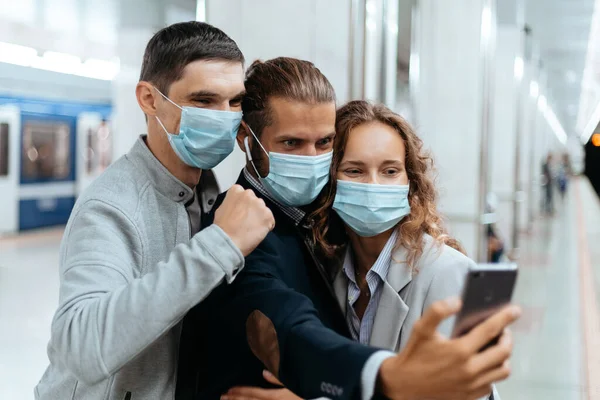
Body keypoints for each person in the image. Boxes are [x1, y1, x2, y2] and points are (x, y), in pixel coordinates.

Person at [177, 58, 520, 400]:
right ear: (247, 139)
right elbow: (293, 330)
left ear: (410, 180)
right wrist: (381, 376)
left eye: (324, 143)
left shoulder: (329, 233)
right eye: (291, 144)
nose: (311, 159)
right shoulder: (240, 226)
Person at [34, 22, 275, 400]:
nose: (225, 117)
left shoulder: (212, 196)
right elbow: (80, 345)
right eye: (204, 101)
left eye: (234, 102)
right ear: (149, 99)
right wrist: (219, 245)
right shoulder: (111, 206)